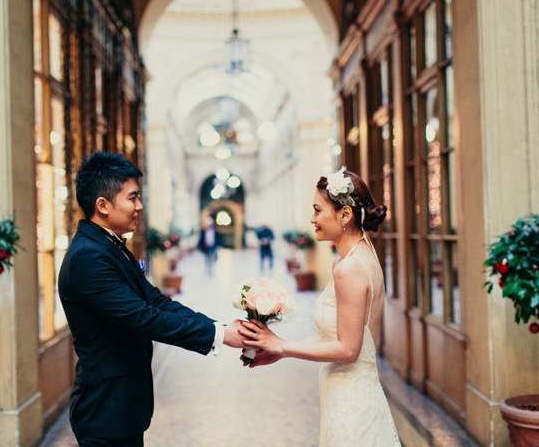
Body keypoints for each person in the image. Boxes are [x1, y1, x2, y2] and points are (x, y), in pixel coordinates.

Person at [58, 152, 244, 447]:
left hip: (123, 405)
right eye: (132, 198)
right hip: (104, 408)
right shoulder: (88, 257)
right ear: (102, 205)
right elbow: (143, 317)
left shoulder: (109, 246)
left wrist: (218, 326)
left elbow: (156, 301)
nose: (139, 206)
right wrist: (219, 335)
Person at [239, 166, 401, 446]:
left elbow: (348, 350)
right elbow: (337, 337)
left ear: (345, 215)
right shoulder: (361, 254)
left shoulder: (348, 268)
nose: (312, 218)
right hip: (351, 393)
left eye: (317, 210)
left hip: (350, 401)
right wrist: (283, 350)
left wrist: (282, 346)